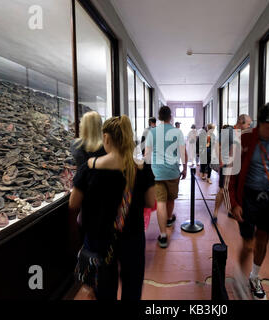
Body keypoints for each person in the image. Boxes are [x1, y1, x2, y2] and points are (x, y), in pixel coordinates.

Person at [68, 115, 155, 300]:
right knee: (132, 287)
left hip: (100, 240)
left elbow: (73, 203)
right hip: (133, 237)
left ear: (106, 138)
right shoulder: (141, 169)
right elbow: (150, 201)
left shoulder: (88, 168)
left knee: (104, 290)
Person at [229, 102, 269, 300]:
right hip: (248, 198)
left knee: (263, 240)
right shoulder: (245, 140)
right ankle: (239, 276)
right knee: (248, 244)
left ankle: (254, 277)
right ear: (268, 121)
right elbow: (233, 175)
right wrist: (234, 203)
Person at [144, 106, 187, 248]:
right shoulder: (177, 132)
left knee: (161, 202)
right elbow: (182, 152)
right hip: (173, 172)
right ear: (171, 117)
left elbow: (147, 155)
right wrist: (185, 168)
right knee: (170, 199)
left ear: (159, 117)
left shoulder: (152, 132)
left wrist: (147, 171)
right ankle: (169, 219)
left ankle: (163, 236)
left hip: (157, 173)